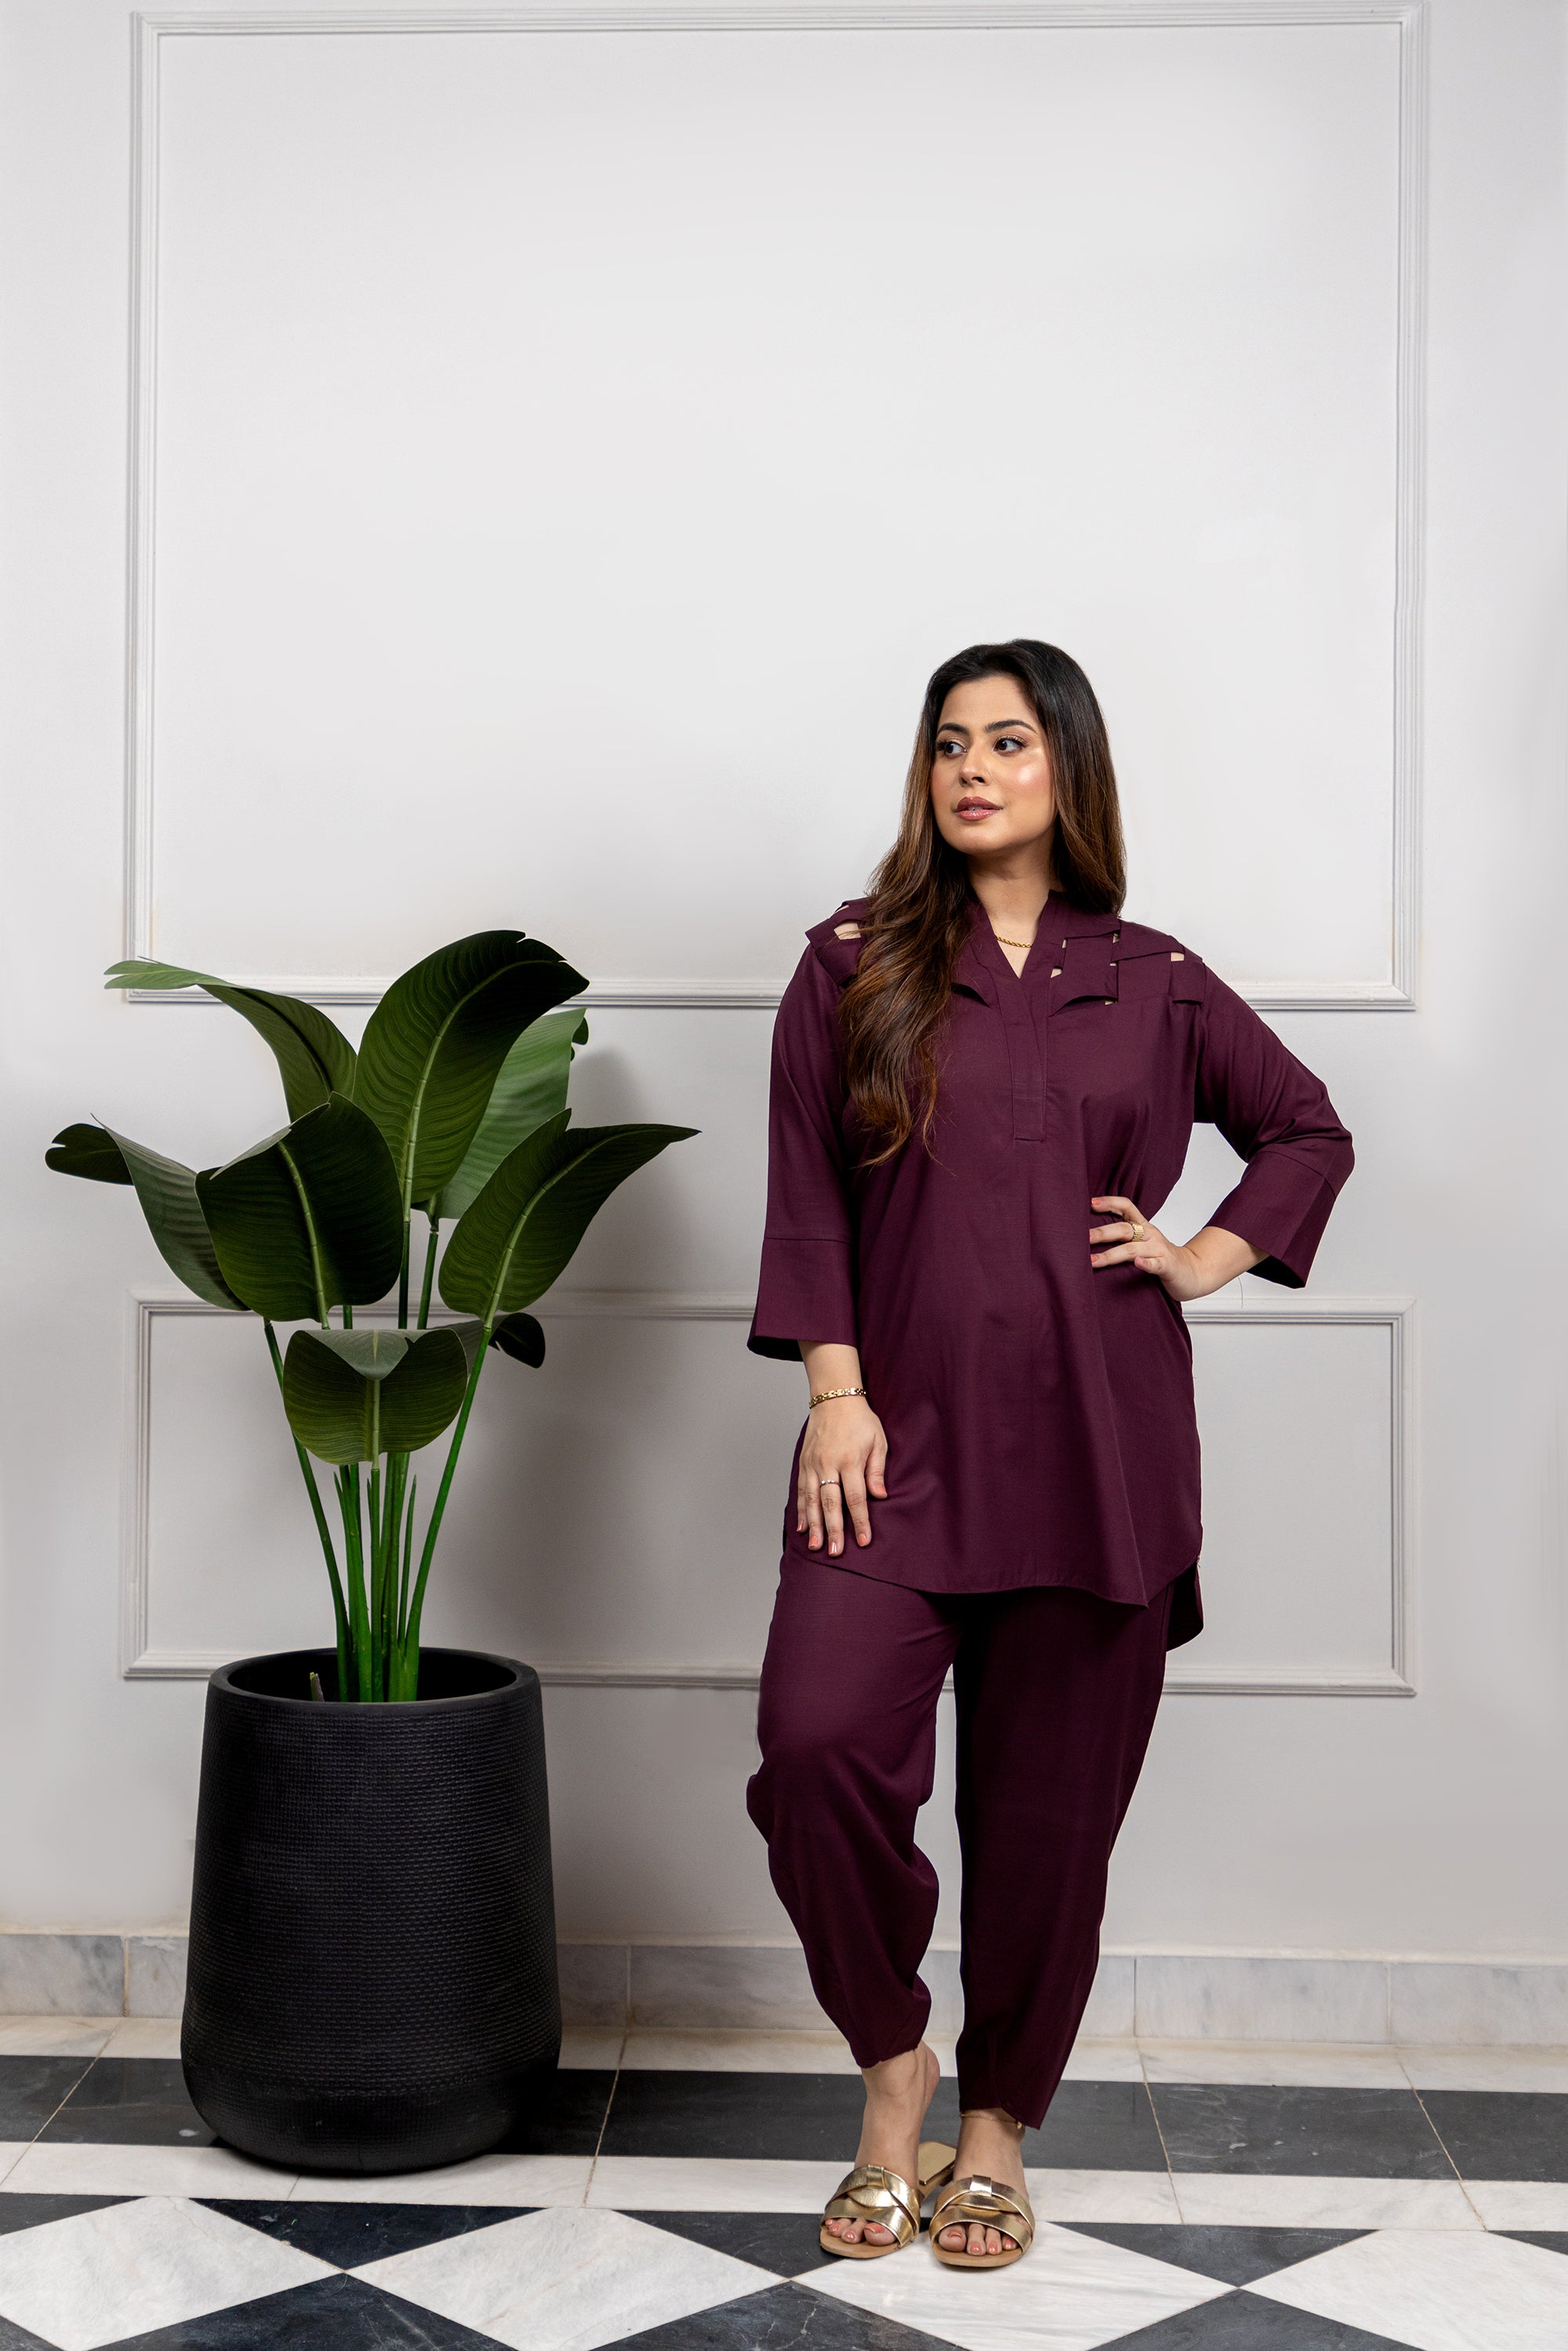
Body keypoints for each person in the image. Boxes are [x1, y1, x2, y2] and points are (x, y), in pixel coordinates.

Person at [745, 639, 1354, 2270]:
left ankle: (998, 2129)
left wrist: (1206, 1254)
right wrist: (833, 1393)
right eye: (950, 742)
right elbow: (806, 1192)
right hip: (890, 1449)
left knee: (1047, 1828)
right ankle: (895, 2075)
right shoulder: (852, 963)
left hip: (1099, 1455)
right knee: (815, 1749)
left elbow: (1306, 1127)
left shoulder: (1153, 975)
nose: (973, 769)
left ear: (1067, 768)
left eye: (1009, 742)